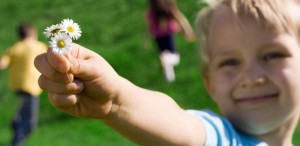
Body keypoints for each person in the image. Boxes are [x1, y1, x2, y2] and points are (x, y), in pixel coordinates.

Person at [34, 0, 300, 145]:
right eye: (230, 62)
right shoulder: (222, 139)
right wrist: (117, 101)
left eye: (272, 55)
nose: (251, 76)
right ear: (210, 84)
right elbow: (180, 126)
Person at [0, 22, 47, 146]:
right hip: (32, 86)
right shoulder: (39, 46)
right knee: (29, 123)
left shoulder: (15, 47)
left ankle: (16, 123)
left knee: (24, 114)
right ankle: (16, 142)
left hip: (17, 85)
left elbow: (2, 63)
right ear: (34, 34)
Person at [146, 0, 195, 82]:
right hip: (167, 35)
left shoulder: (151, 12)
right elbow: (180, 19)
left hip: (157, 37)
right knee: (175, 57)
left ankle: (170, 78)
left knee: (165, 55)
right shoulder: (168, 8)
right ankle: (166, 64)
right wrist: (188, 31)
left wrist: (148, 37)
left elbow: (150, 25)